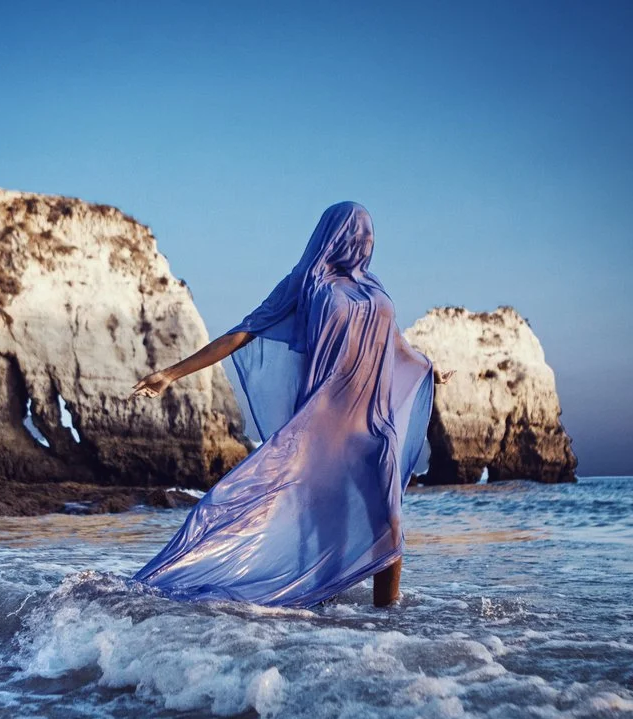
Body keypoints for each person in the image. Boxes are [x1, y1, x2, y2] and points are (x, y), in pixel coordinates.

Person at [129, 202, 453, 608]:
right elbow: (244, 332)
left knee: (389, 522)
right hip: (324, 425)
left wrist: (430, 368)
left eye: (370, 232)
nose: (366, 239)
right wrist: (171, 374)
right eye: (357, 230)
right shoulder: (306, 282)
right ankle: (307, 606)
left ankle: (388, 623)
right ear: (334, 233)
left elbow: (395, 342)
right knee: (317, 528)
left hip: (375, 424)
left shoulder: (375, 288)